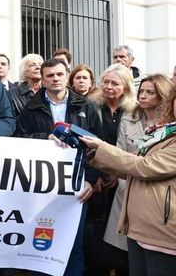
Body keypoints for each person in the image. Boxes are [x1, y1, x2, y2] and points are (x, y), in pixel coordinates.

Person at [15, 58, 102, 276]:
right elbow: (20, 139)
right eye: (50, 75)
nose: (55, 79)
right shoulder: (31, 108)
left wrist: (91, 179)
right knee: (41, 242)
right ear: (42, 80)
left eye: (60, 74)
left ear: (67, 76)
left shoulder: (86, 105)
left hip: (77, 185)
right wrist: (46, 137)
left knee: (73, 243)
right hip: (43, 186)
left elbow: (100, 146)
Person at [81, 86, 176, 276]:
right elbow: (131, 166)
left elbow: (144, 166)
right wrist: (92, 152)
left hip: (163, 233)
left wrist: (101, 147)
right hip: (140, 228)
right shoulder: (164, 132)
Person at [85, 63, 137, 275]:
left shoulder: (134, 111)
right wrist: (97, 174)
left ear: (125, 87)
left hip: (123, 179)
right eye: (105, 82)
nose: (108, 86)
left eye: (114, 83)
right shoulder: (91, 106)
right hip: (96, 174)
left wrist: (117, 175)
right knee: (96, 228)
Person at [9, 53, 43, 118]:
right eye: (32, 65)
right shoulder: (12, 94)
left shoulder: (49, 91)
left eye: (40, 65)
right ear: (24, 72)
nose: (38, 67)